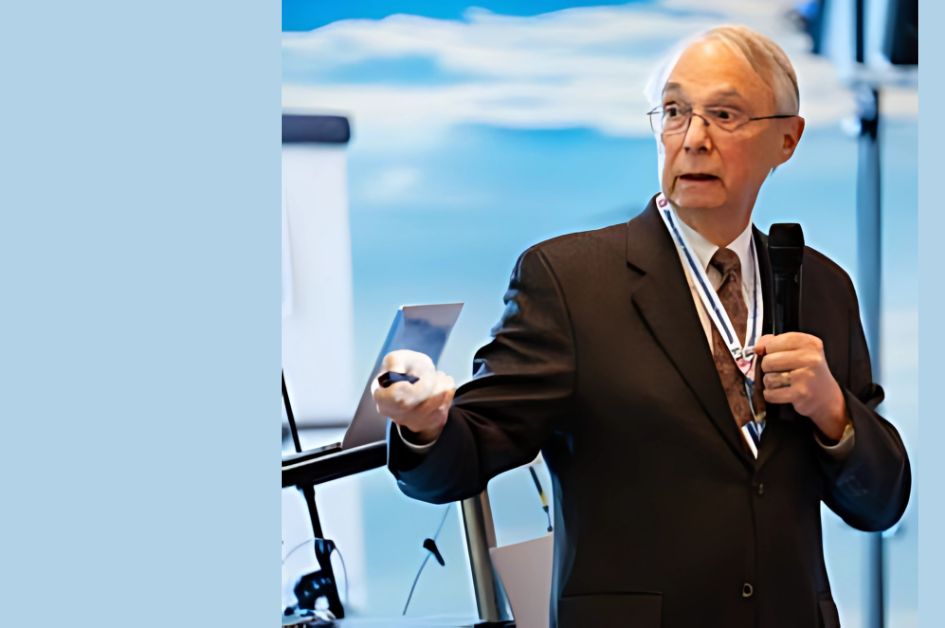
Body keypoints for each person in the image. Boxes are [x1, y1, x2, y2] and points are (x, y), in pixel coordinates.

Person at [373, 25, 910, 628]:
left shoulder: (822, 287)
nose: (694, 139)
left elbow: (882, 501)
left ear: (787, 138)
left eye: (724, 114)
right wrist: (424, 426)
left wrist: (832, 409)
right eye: (675, 112)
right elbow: (468, 453)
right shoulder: (569, 280)